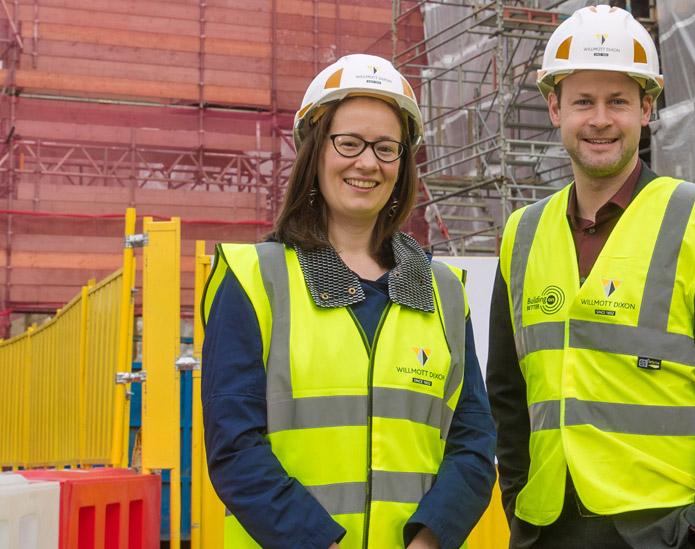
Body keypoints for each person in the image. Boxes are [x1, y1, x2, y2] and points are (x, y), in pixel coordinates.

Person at [486, 5, 695, 549]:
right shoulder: (520, 234)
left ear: (646, 108)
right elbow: (507, 391)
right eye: (583, 102)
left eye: (618, 101)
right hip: (548, 525)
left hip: (665, 527)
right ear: (554, 108)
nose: (600, 119)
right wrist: (518, 500)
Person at [201, 54, 496, 549]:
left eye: (386, 148)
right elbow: (235, 449)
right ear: (315, 151)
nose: (367, 163)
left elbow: (473, 442)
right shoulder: (256, 279)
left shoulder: (443, 291)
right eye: (349, 143)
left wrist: (427, 541)